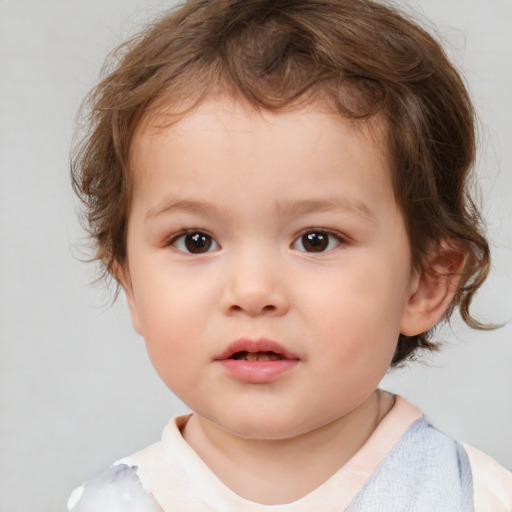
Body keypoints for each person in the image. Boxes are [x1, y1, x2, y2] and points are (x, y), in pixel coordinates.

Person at [67, 0, 512, 510]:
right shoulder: (106, 502)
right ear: (131, 287)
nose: (253, 292)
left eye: (316, 239)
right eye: (196, 240)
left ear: (425, 283)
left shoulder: (477, 497)